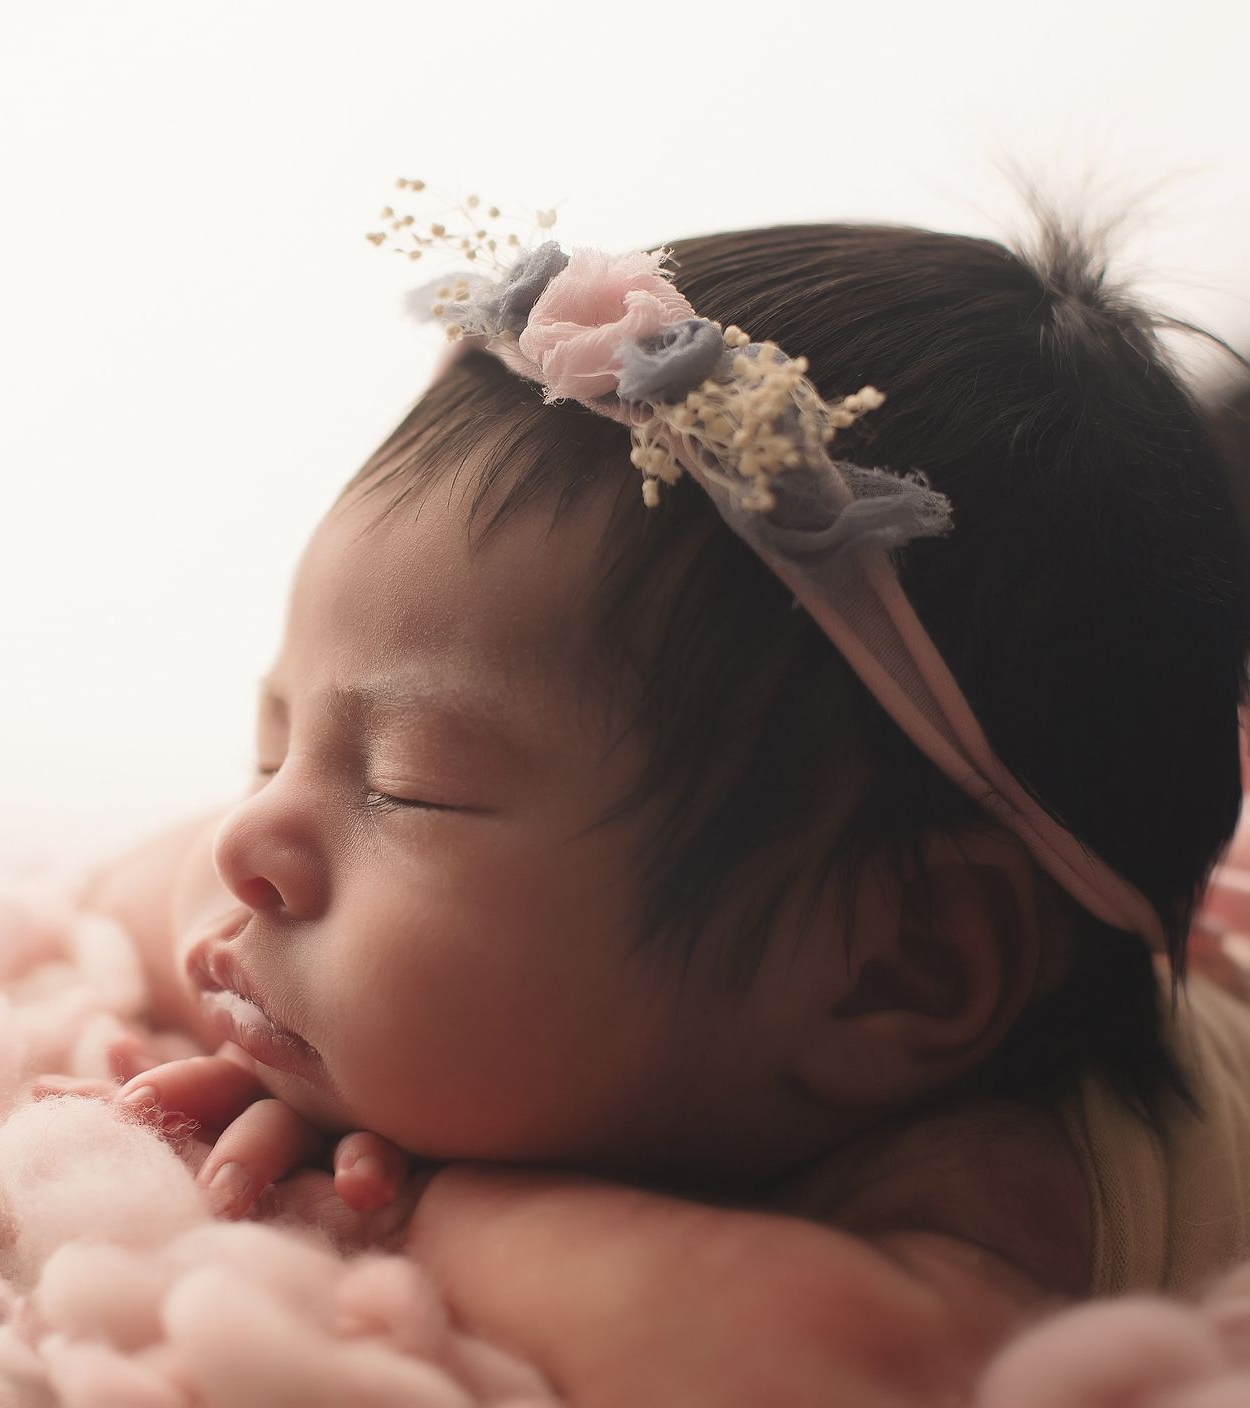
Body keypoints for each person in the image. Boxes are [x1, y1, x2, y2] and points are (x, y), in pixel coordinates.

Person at [78, 206, 1250, 1403]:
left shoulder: (982, 1185)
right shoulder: (717, 1028)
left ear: (900, 967)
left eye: (408, 787)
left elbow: (867, 1363)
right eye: (269, 748)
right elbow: (121, 893)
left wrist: (406, 1195)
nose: (245, 843)